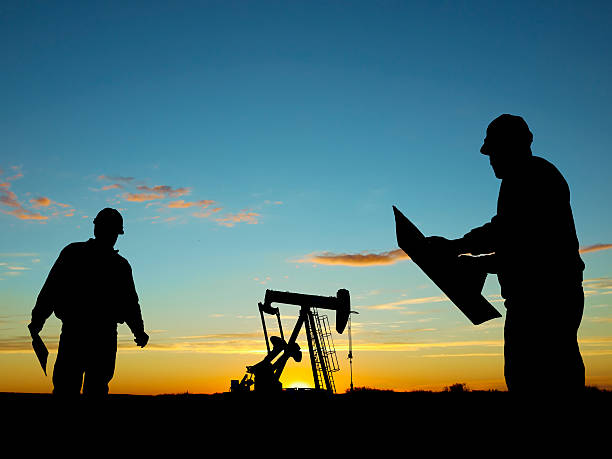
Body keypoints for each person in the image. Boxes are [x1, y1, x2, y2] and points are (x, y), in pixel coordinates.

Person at [428, 114, 585, 393]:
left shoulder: (535, 177)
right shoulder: (521, 179)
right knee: (535, 377)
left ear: (512, 146)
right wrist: (457, 247)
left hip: (545, 300)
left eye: (493, 150)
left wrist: (472, 261)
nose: (489, 158)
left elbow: (530, 249)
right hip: (535, 299)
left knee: (542, 381)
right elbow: (505, 233)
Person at [28, 208, 149, 397]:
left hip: (89, 334)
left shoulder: (109, 263)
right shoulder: (79, 255)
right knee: (76, 388)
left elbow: (130, 303)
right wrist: (37, 320)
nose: (110, 236)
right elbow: (51, 289)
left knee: (84, 388)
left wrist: (139, 331)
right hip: (86, 333)